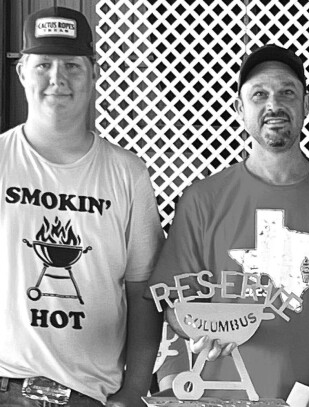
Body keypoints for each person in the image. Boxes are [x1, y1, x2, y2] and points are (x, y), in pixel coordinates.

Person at [147, 44, 309, 406]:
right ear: (240, 109)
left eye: (287, 92)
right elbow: (175, 301)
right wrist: (198, 329)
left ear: (306, 104)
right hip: (220, 398)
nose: (274, 105)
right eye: (259, 94)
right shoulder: (202, 199)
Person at [0, 7, 164, 407]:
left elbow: (144, 291)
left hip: (88, 396)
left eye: (72, 65)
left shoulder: (128, 174)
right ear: (22, 72)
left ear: (93, 74)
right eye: (44, 65)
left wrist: (134, 391)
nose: (58, 79)